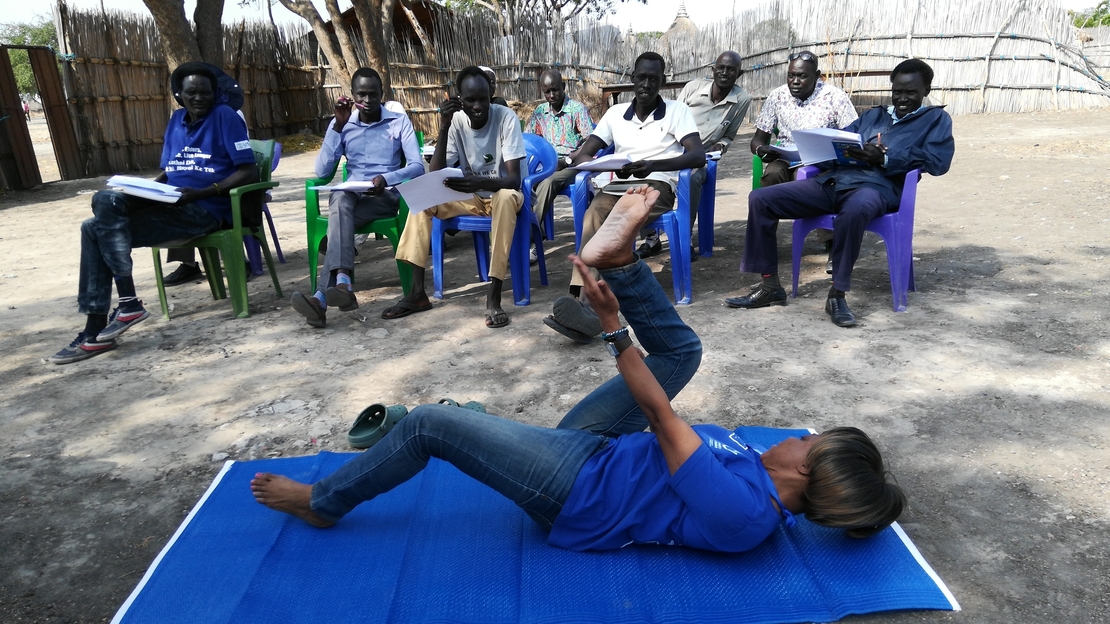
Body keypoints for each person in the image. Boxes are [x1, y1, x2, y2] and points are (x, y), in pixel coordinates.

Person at [251, 186, 906, 553]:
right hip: (602, 451)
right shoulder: (769, 476)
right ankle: (619, 259)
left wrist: (612, 325)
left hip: (575, 492)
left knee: (428, 425)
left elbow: (659, 414)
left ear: (805, 470)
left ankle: (324, 503)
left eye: (809, 441)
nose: (797, 434)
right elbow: (656, 427)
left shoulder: (744, 513)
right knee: (684, 354)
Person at [47, 62, 258, 364]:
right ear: (179, 96)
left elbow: (248, 170)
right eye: (191, 93)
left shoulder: (225, 116)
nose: (199, 98)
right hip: (170, 200)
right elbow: (169, 172)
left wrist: (203, 192)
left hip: (202, 209)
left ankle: (98, 328)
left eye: (205, 93)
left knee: (93, 230)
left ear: (215, 93)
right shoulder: (176, 120)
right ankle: (127, 303)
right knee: (105, 200)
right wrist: (142, 192)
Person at [726, 59, 954, 328]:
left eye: (911, 93)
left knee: (854, 211)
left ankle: (837, 294)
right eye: (897, 92)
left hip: (876, 188)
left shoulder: (935, 120)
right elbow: (840, 141)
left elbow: (938, 162)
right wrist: (822, 150)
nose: (902, 99)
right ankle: (770, 286)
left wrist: (884, 158)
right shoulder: (873, 116)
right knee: (761, 199)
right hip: (834, 181)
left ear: (926, 90)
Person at [544, 51, 705, 343]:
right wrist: (576, 161)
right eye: (641, 78)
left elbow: (697, 155)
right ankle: (581, 297)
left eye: (653, 79)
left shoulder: (677, 110)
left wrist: (653, 165)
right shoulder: (616, 114)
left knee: (617, 220)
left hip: (656, 184)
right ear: (632, 79)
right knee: (594, 214)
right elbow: (588, 150)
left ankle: (592, 307)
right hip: (620, 186)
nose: (646, 84)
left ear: (662, 82)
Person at [383, 66, 525, 329]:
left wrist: (480, 181)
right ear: (459, 99)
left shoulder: (506, 118)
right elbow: (434, 175)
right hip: (472, 197)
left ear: (492, 93)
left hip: (504, 195)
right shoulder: (457, 120)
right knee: (423, 199)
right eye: (470, 100)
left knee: (505, 197)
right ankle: (416, 293)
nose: (478, 106)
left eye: (483, 98)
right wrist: (445, 126)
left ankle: (493, 296)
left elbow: (514, 180)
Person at [289, 67, 424, 328]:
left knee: (339, 216)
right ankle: (340, 285)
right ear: (352, 95)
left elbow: (417, 165)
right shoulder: (342, 123)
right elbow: (322, 171)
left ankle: (323, 295)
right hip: (352, 196)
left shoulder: (398, 121)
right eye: (362, 94)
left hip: (384, 196)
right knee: (340, 198)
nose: (368, 100)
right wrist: (336, 128)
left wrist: (387, 179)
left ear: (382, 94)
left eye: (373, 94)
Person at [638, 50, 751, 258]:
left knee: (691, 177)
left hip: (700, 157)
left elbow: (730, 135)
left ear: (739, 74)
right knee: (645, 172)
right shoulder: (693, 88)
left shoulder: (742, 99)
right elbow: (671, 119)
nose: (725, 73)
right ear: (713, 70)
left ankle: (684, 236)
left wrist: (722, 145)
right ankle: (651, 237)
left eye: (731, 70)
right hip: (672, 148)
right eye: (721, 68)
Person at [750, 51, 858, 188]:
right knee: (773, 173)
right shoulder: (777, 96)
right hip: (785, 159)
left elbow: (853, 135)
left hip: (821, 161)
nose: (795, 82)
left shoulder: (835, 97)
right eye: (791, 75)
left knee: (802, 176)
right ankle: (772, 208)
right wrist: (760, 149)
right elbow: (757, 139)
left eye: (802, 76)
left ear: (817, 76)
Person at [524, 68, 595, 257]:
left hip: (573, 165)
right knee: (522, 182)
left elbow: (591, 141)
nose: (552, 95)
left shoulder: (576, 109)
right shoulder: (540, 112)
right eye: (547, 91)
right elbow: (530, 140)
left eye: (555, 89)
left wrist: (567, 160)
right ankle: (532, 228)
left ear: (563, 87)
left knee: (548, 182)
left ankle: (528, 238)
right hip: (547, 164)